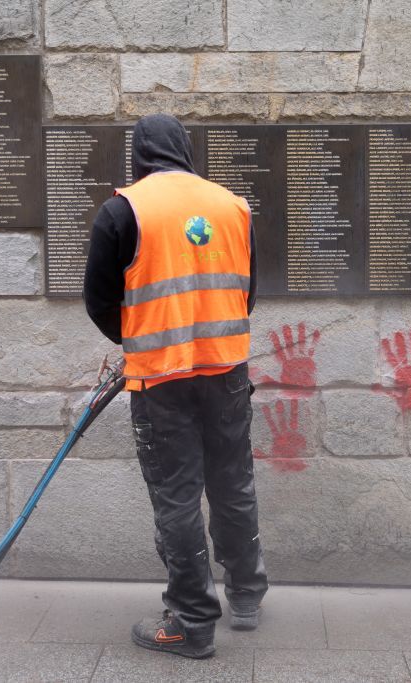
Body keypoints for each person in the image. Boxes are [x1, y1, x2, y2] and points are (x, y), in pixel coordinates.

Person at [83, 114, 268, 659]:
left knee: (177, 497)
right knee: (233, 484)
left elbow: (98, 300)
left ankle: (190, 621)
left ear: (139, 156)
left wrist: (137, 340)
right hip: (227, 371)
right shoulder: (232, 206)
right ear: (185, 150)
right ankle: (248, 596)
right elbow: (246, 292)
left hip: (161, 381)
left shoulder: (123, 210)